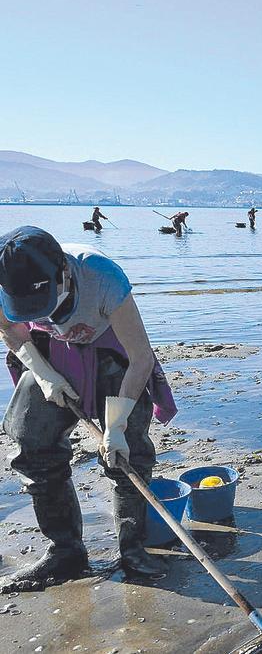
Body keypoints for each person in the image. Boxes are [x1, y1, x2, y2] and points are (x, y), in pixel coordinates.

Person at [0, 227, 177, 591]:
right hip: (51, 352)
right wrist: (45, 375)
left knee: (127, 451)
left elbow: (140, 357)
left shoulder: (102, 277)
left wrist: (115, 425)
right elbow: (12, 331)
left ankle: (132, 547)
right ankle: (65, 552)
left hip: (114, 353)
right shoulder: (3, 278)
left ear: (63, 272)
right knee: (31, 440)